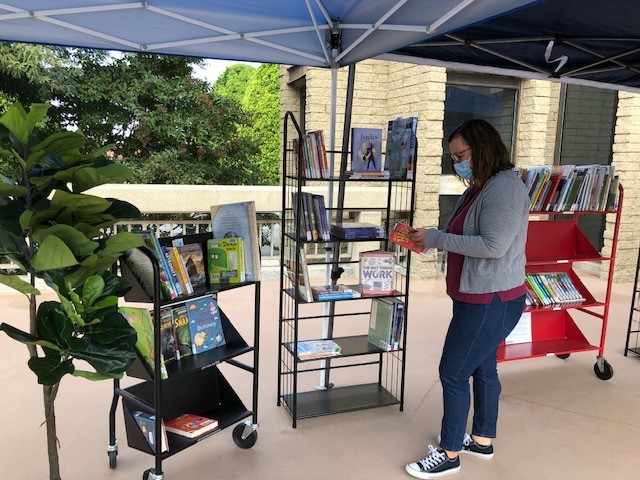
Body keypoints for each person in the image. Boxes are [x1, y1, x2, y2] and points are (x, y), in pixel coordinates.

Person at [404, 119, 530, 479]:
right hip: (480, 295)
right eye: (454, 157)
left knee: (453, 372)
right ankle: (482, 440)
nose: (457, 163)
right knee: (483, 368)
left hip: (490, 299)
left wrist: (436, 238)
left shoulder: (503, 188)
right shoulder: (480, 186)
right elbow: (464, 235)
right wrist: (430, 240)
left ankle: (449, 452)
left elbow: (493, 246)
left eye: (461, 155)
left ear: (483, 147)